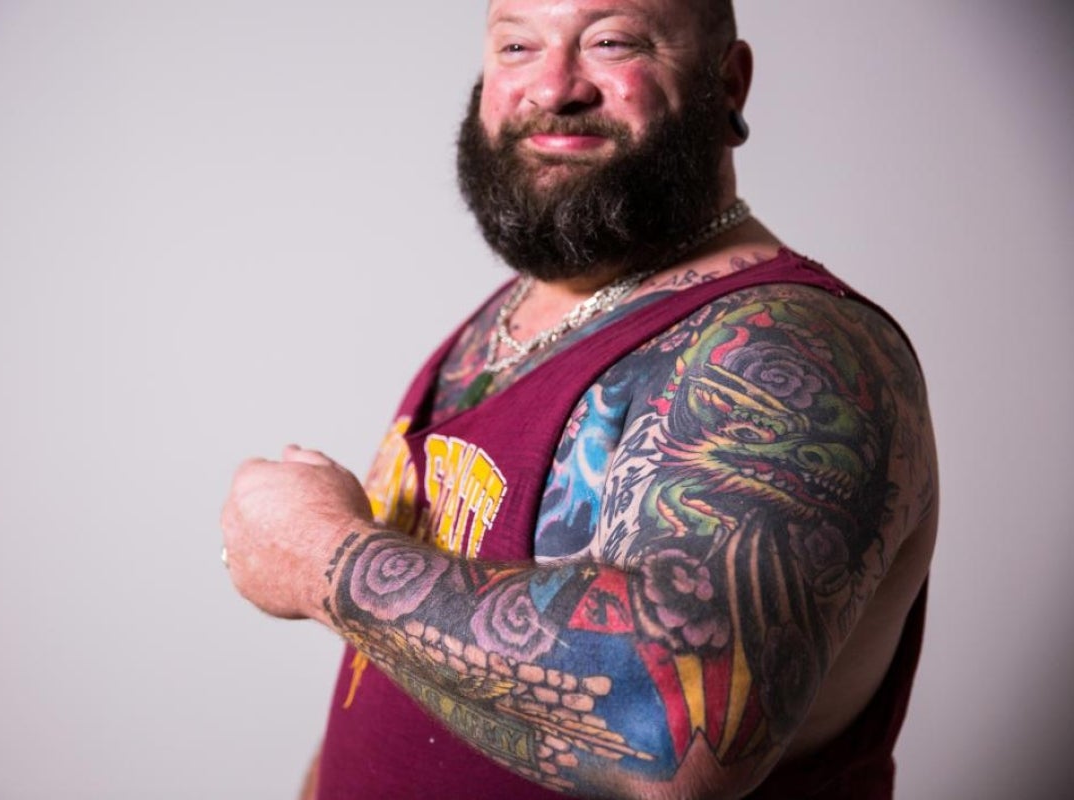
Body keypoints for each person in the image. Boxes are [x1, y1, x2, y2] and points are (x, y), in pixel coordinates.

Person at [220, 0, 938, 797]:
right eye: (518, 44)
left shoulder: (785, 348)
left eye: (611, 41)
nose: (554, 87)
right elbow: (392, 677)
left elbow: (665, 733)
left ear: (727, 83)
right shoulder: (518, 312)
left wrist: (321, 559)